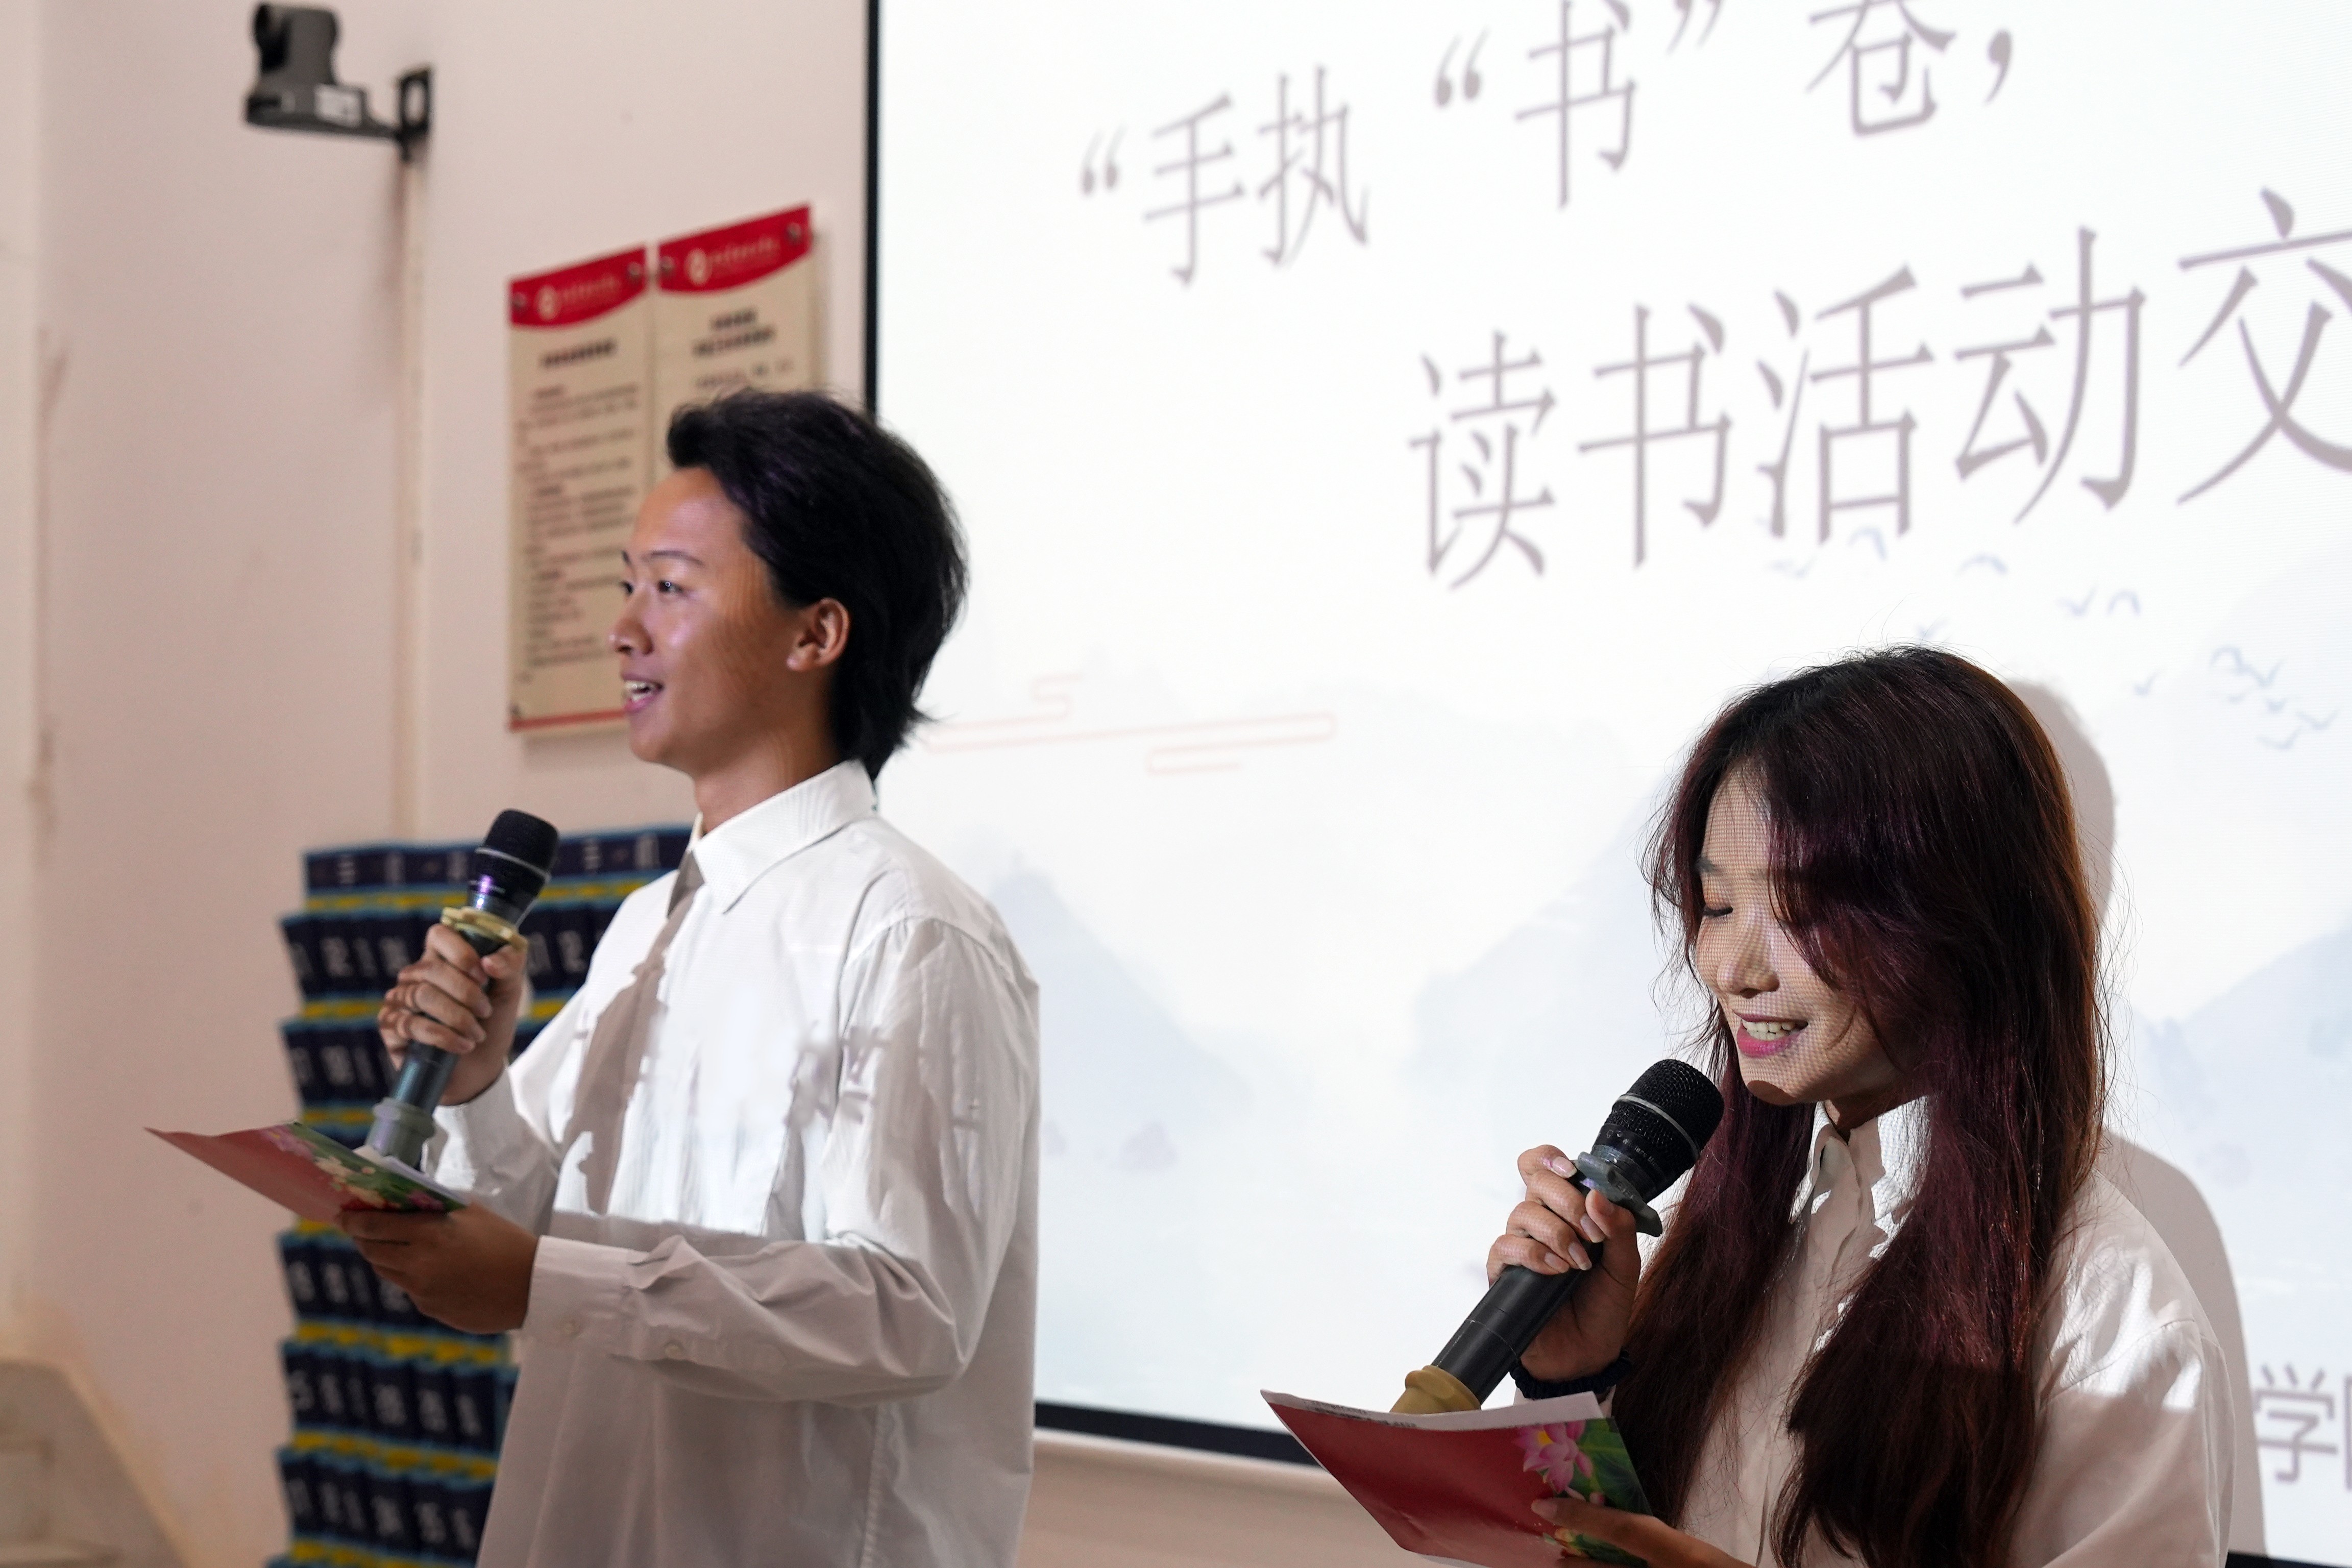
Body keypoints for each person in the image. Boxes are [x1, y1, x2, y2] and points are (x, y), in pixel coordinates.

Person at [346, 390, 1041, 1567]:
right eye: (629, 585)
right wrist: (472, 1086)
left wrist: (554, 1284)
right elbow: (529, 1226)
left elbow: (906, 1313)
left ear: (816, 634)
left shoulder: (912, 931)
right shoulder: (648, 925)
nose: (624, 629)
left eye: (671, 587)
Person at [1487, 647, 2230, 1567]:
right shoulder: (1741, 1235)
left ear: (1961, 922)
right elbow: (1592, 1547)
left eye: (1800, 911)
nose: (1733, 969)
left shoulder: (2114, 1319)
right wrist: (1571, 1381)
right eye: (1717, 905)